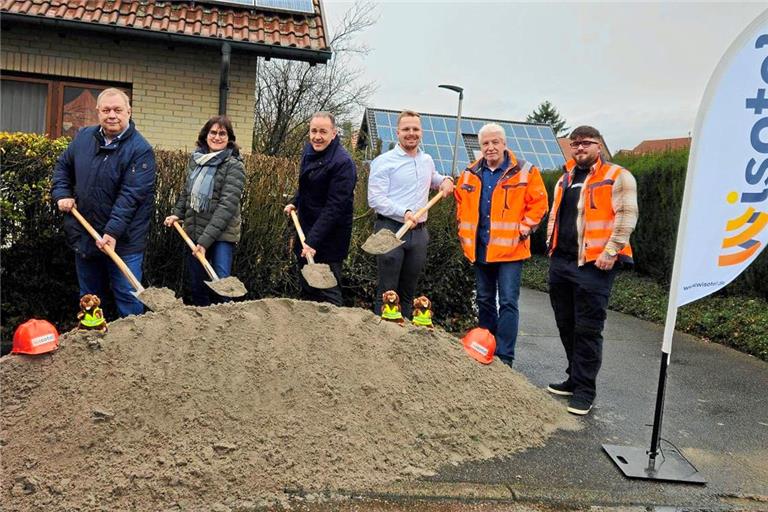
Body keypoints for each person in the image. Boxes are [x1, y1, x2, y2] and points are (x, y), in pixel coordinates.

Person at [546, 125, 638, 415]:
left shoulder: (617, 176)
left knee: (587, 329)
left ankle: (586, 390)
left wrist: (611, 251)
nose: (580, 148)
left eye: (586, 143)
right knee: (566, 324)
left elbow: (626, 216)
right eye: (575, 144)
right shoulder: (564, 180)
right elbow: (557, 217)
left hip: (595, 265)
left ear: (599, 146)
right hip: (562, 262)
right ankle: (574, 379)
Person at [52, 88, 156, 317]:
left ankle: (132, 346)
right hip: (86, 236)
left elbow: (131, 196)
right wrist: (62, 194)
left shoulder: (141, 151)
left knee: (128, 299)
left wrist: (112, 231)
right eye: (106, 110)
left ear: (128, 112)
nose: (112, 115)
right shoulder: (84, 138)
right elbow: (62, 167)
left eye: (118, 110)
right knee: (89, 299)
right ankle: (92, 342)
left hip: (124, 242)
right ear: (97, 112)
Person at [454, 123, 548, 368]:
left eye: (495, 142)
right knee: (484, 299)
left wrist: (525, 228)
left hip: (510, 250)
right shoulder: (470, 172)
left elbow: (539, 204)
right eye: (485, 143)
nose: (490, 147)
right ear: (480, 146)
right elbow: (461, 204)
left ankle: (505, 356)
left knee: (507, 302)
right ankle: (485, 346)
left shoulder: (525, 171)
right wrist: (461, 228)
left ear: (504, 144)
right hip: (481, 248)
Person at [368, 110, 455, 319]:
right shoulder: (384, 161)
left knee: (408, 293)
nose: (411, 133)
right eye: (406, 129)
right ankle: (381, 339)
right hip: (390, 229)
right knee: (388, 293)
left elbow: (432, 178)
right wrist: (404, 212)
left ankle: (404, 336)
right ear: (397, 132)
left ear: (421, 132)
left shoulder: (426, 160)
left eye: (415, 129)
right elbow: (375, 199)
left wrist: (445, 180)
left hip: (418, 235)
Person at [163, 116, 246, 306]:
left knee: (220, 284)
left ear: (229, 138)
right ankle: (203, 328)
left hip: (222, 236)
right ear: (205, 135)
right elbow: (188, 192)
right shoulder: (197, 160)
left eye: (222, 133)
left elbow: (227, 206)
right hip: (195, 232)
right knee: (196, 285)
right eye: (213, 132)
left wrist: (204, 241)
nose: (217, 137)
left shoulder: (234, 166)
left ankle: (225, 325)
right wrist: (177, 213)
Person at [283, 112, 357, 306]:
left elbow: (335, 207)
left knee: (328, 291)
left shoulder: (342, 163)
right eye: (313, 131)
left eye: (323, 132)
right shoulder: (309, 151)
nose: (317, 136)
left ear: (334, 133)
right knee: (307, 287)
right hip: (307, 230)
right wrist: (295, 201)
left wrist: (313, 241)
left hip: (330, 237)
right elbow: (306, 185)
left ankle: (334, 332)